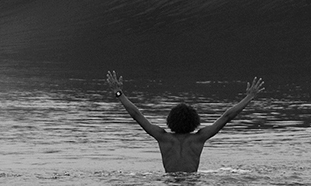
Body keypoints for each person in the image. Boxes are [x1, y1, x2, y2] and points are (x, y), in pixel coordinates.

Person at [105, 70, 265, 173]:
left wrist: (119, 93)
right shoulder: (200, 137)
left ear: (170, 121)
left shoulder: (162, 137)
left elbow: (136, 115)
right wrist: (249, 96)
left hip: (169, 183)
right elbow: (227, 117)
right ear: (194, 121)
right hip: (193, 182)